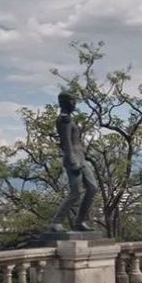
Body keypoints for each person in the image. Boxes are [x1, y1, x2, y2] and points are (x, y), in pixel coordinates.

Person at [49, 90, 98, 231]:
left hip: (81, 157)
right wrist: (72, 160)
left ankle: (80, 221)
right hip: (73, 158)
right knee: (76, 191)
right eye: (72, 101)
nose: (74, 104)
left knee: (92, 188)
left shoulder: (70, 119)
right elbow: (66, 143)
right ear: (64, 103)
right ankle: (56, 222)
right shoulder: (64, 119)